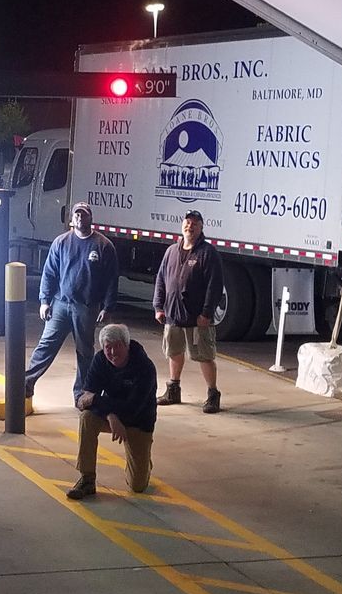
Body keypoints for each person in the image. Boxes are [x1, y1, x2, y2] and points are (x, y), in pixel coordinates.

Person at [26, 202, 120, 395]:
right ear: (72, 218)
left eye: (83, 215)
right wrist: (44, 301)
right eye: (76, 215)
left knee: (85, 352)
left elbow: (112, 279)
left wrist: (108, 307)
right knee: (46, 345)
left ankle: (83, 393)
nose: (79, 218)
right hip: (60, 304)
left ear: (90, 218)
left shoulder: (103, 246)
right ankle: (26, 383)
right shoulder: (61, 242)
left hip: (86, 307)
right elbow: (49, 273)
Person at [67, 323, 157, 500]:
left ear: (127, 346)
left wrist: (99, 402)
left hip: (139, 422)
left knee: (138, 486)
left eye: (118, 347)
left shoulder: (145, 367)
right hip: (112, 417)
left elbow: (133, 408)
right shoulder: (100, 360)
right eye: (108, 348)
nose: (113, 353)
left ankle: (145, 463)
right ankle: (87, 479)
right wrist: (110, 416)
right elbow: (85, 399)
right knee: (87, 418)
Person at [155, 209, 225, 413]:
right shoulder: (171, 251)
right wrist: (159, 306)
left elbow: (215, 286)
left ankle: (213, 395)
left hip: (198, 318)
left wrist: (206, 313)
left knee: (204, 355)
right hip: (173, 314)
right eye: (187, 222)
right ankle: (173, 390)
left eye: (195, 223)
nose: (190, 226)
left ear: (201, 227)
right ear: (182, 225)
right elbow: (161, 279)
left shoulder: (207, 253)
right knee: (174, 351)